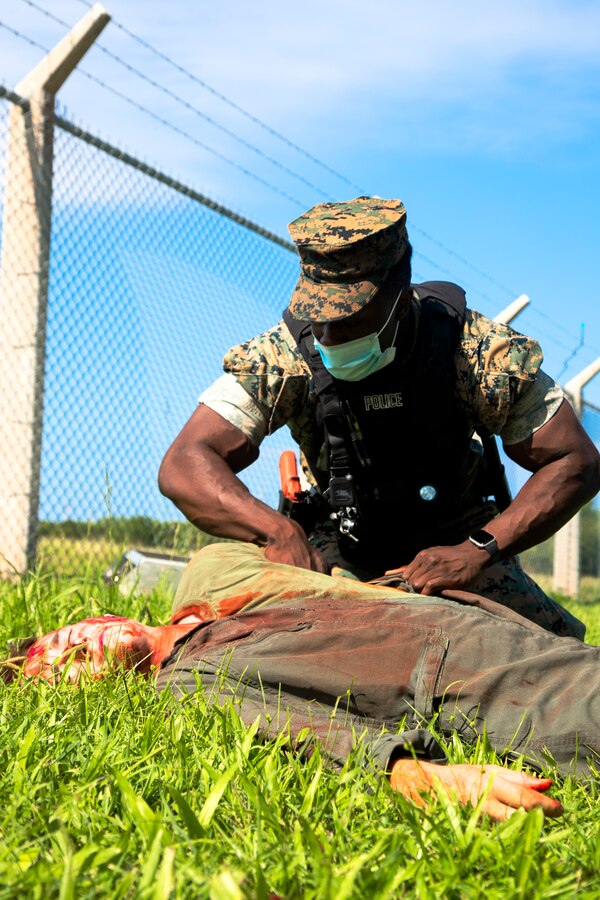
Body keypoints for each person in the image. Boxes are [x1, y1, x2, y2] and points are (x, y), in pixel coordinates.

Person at [158, 196, 600, 640]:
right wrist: (276, 530)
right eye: (318, 319)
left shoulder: (478, 351)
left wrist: (478, 550)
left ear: (399, 294)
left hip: (457, 547)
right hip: (343, 546)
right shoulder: (283, 355)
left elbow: (575, 461)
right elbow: (185, 462)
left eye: (348, 320)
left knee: (546, 650)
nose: (328, 338)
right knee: (252, 632)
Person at [19, 542, 600, 821]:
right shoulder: (181, 680)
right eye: (64, 672)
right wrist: (416, 773)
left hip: (492, 634)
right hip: (477, 686)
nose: (73, 651)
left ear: (102, 616)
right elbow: (286, 724)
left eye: (63, 639)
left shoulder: (213, 603)